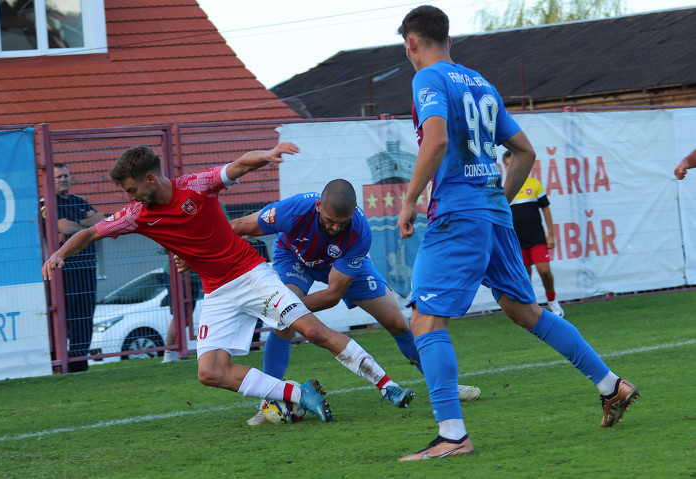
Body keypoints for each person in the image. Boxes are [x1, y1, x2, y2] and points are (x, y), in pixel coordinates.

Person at [396, 5, 638, 460]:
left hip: (457, 214)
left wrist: (409, 200)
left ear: (412, 43)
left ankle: (452, 436)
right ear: (450, 40)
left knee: (425, 320)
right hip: (493, 213)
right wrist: (497, 200)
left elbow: (438, 139)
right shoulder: (481, 83)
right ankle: (610, 385)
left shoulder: (427, 78)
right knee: (525, 311)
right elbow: (524, 151)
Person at [42, 143, 415, 424]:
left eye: (131, 189)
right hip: (217, 291)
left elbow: (238, 166)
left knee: (314, 331)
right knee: (210, 372)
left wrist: (267, 154)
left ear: (150, 179)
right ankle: (298, 394)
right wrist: (60, 253)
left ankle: (387, 385)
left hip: (252, 275)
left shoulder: (196, 186)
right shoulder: (137, 214)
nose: (129, 197)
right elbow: (91, 232)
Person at [223, 180, 480, 424]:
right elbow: (238, 226)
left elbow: (333, 294)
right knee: (283, 326)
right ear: (318, 206)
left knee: (398, 322)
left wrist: (285, 309)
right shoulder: (293, 210)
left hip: (340, 267)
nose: (335, 228)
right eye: (330, 221)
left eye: (341, 223)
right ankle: (267, 402)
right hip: (294, 259)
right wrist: (204, 257)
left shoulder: (359, 231)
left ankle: (446, 387)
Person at [44, 163, 106, 372]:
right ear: (50, 180)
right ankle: (59, 363)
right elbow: (61, 225)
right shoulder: (46, 204)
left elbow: (101, 222)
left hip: (86, 270)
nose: (63, 180)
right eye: (58, 177)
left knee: (85, 317)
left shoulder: (78, 201)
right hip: (62, 274)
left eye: (65, 176)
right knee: (62, 318)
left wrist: (76, 229)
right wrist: (86, 226)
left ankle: (79, 365)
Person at [502, 151, 564, 317]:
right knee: (524, 275)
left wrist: (551, 235)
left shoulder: (534, 184)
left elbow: (546, 209)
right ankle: (531, 308)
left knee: (544, 271)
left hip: (536, 237)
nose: (510, 167)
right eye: (507, 164)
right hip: (516, 240)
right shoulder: (503, 189)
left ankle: (552, 301)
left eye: (512, 163)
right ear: (504, 166)